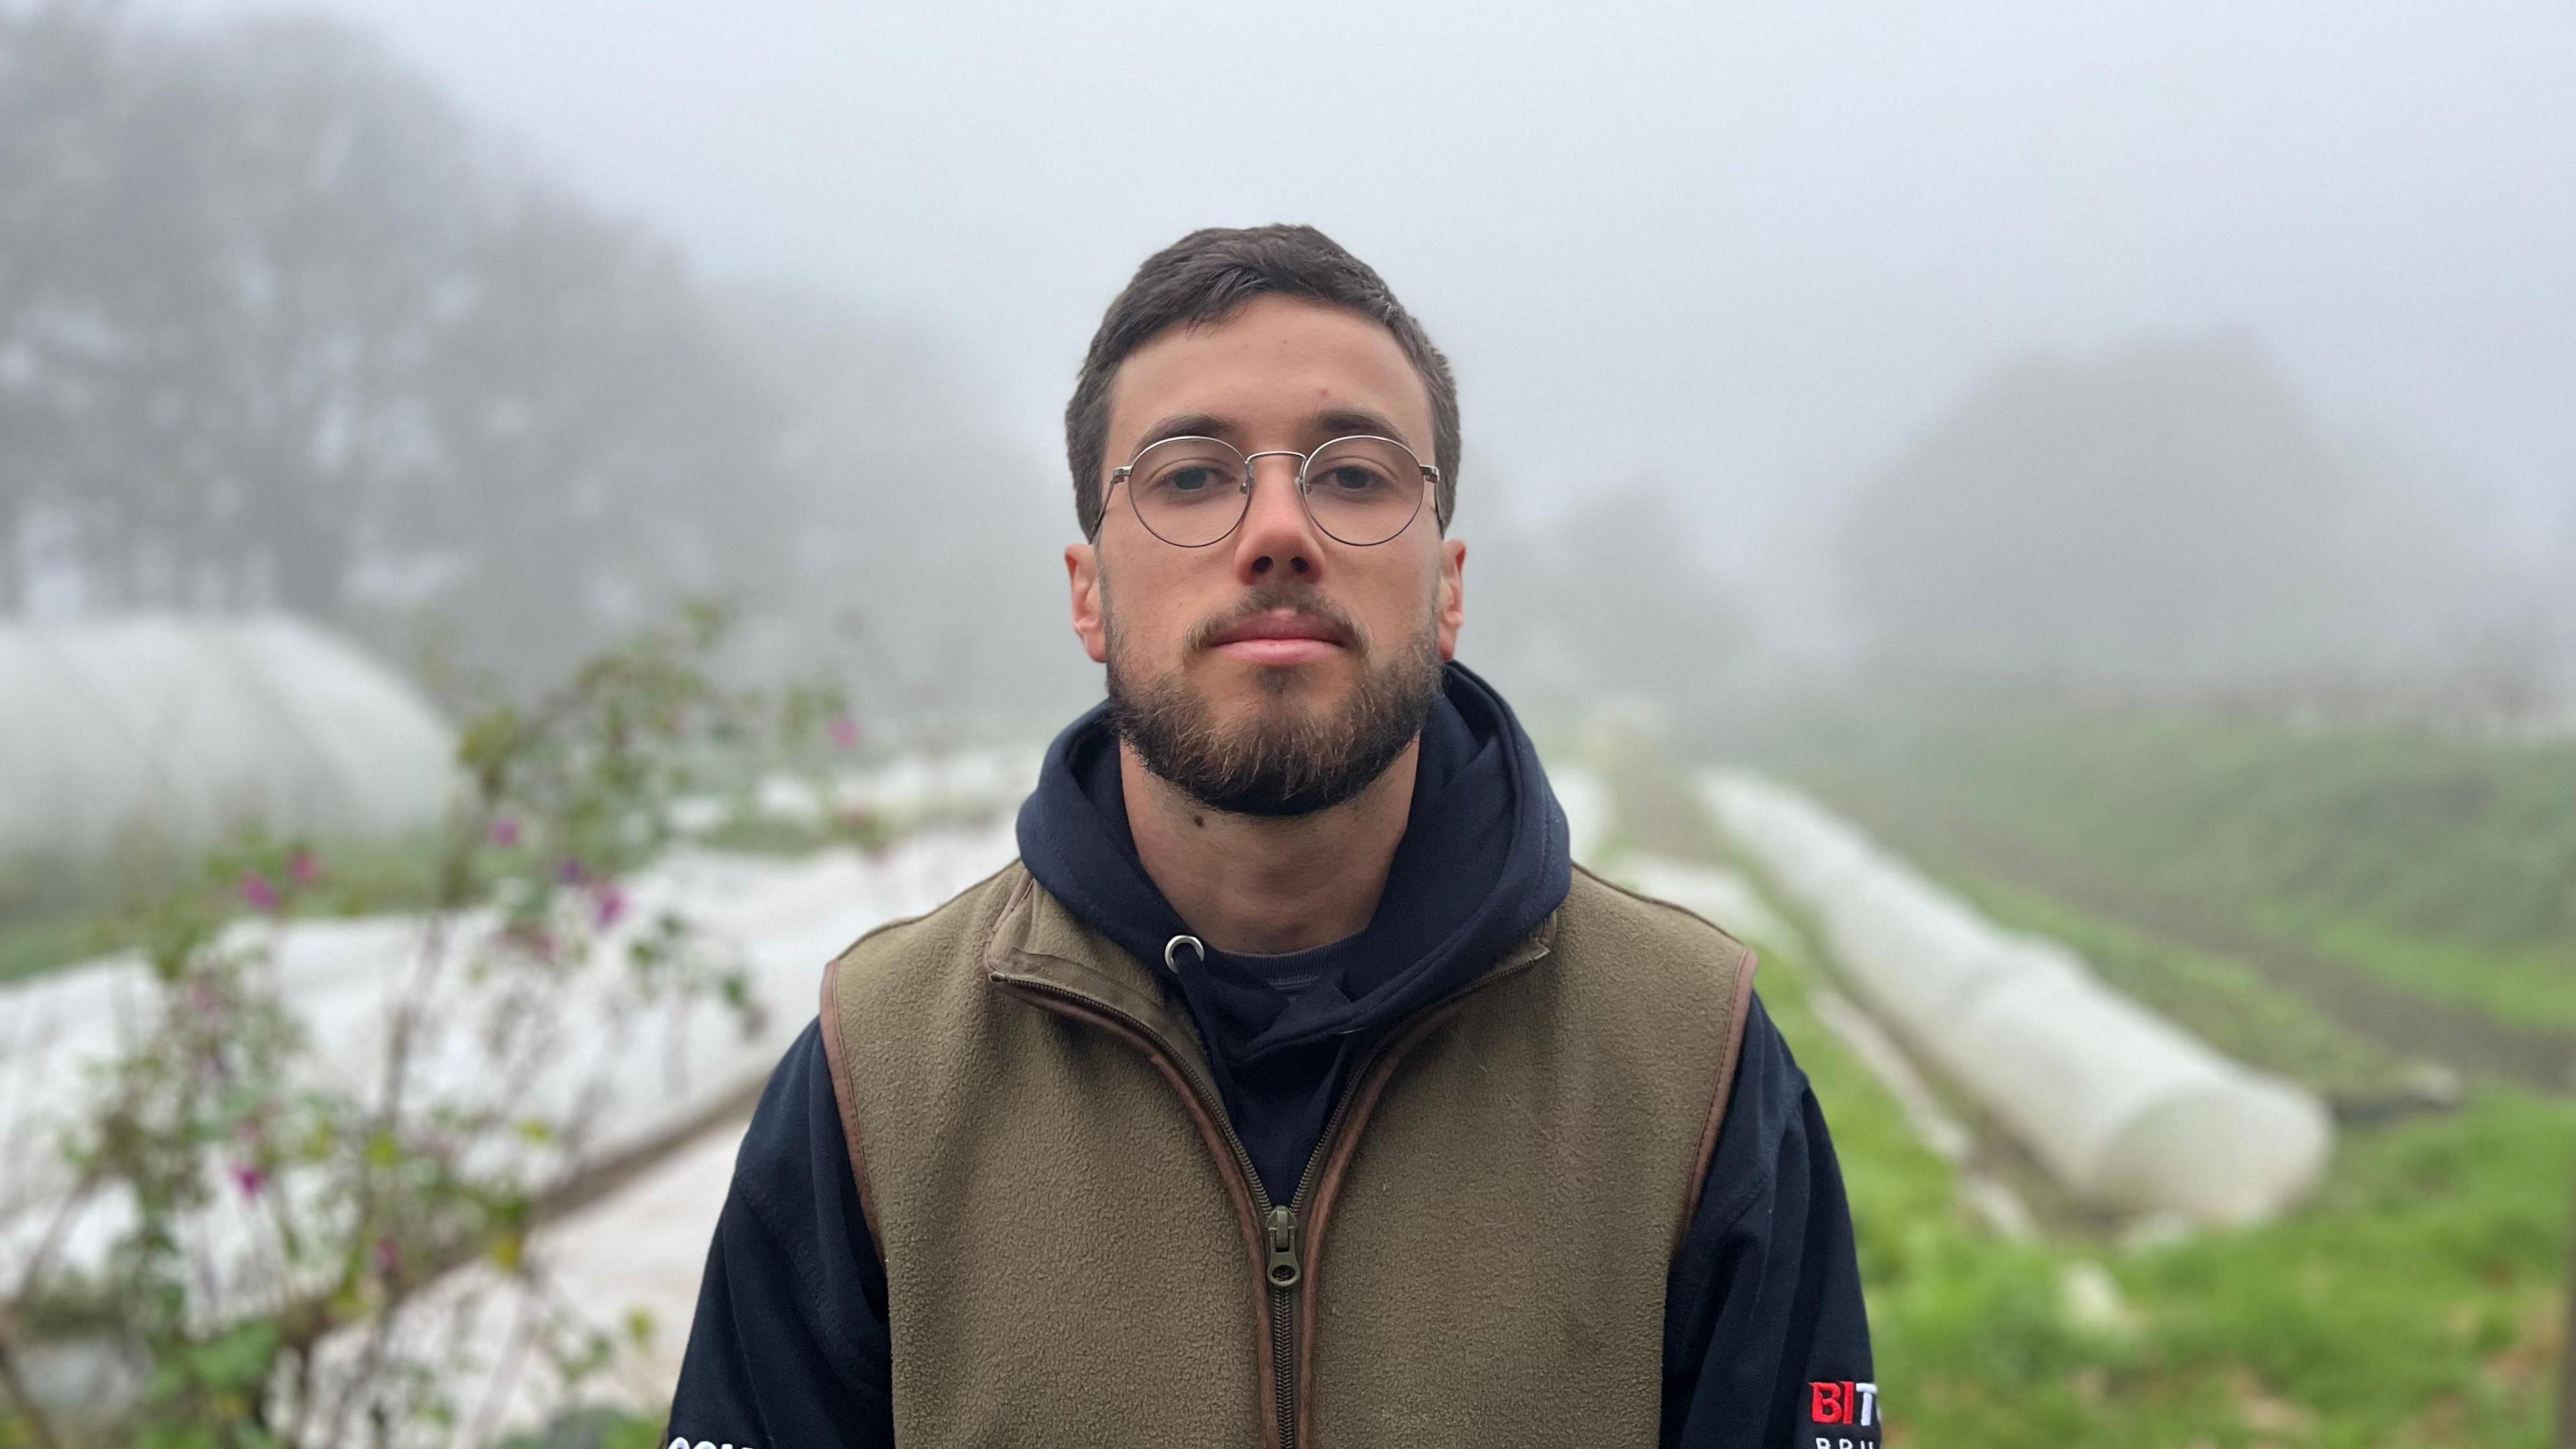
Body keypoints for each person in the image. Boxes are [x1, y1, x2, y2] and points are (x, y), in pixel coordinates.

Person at [664, 224, 1875, 1448]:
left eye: (1355, 473)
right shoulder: (877, 1080)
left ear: (1448, 585)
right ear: (1089, 590)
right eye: (1191, 475)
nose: (1278, 530)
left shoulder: (1695, 1065)